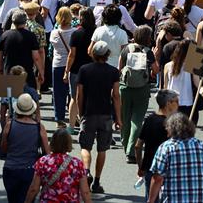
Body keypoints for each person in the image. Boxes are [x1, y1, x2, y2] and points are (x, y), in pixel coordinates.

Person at [75, 40, 122, 194]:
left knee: (85, 147)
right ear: (107, 55)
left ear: (93, 53)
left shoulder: (84, 70)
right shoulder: (113, 72)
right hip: (105, 114)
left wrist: (81, 112)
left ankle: (86, 171)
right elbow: (116, 96)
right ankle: (97, 181)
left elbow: (79, 94)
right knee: (102, 149)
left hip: (89, 112)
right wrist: (118, 118)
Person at [147, 112, 203, 203]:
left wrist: (151, 200)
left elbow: (157, 178)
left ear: (170, 128)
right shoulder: (200, 145)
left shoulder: (166, 148)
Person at [0, 93, 50, 203]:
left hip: (10, 169)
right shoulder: (39, 127)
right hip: (30, 170)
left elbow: (3, 148)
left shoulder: (9, 125)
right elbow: (47, 152)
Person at [119, 25, 156, 163]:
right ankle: (131, 150)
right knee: (137, 120)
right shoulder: (148, 52)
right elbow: (156, 70)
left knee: (125, 118)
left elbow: (120, 67)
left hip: (125, 87)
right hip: (142, 88)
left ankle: (125, 144)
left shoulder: (126, 49)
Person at [24, 129, 91, 203]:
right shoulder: (77, 164)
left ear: (52, 143)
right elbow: (85, 192)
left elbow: (34, 189)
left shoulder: (43, 161)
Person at [135, 90, 179, 200]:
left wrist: (141, 166)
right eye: (176, 101)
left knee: (150, 198)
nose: (179, 104)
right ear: (168, 103)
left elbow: (138, 146)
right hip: (169, 169)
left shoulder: (149, 120)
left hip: (150, 167)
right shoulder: (172, 124)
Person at [48, 6, 76, 126]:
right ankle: (73, 116)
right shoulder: (74, 32)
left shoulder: (54, 33)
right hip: (71, 64)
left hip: (57, 63)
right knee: (72, 93)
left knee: (58, 93)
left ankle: (59, 118)